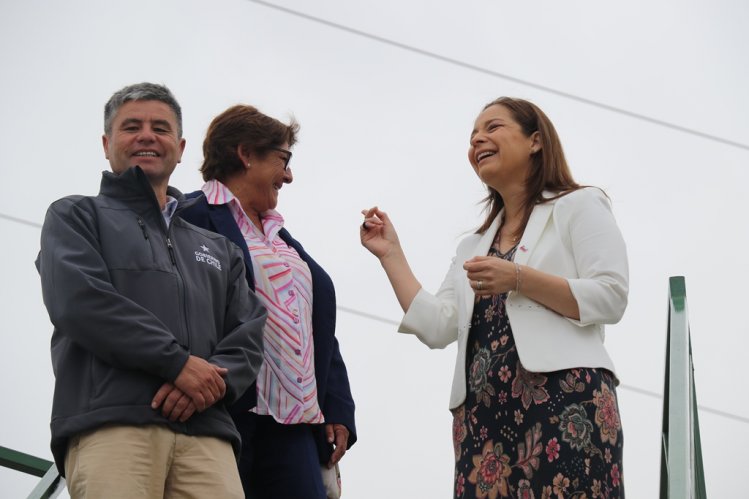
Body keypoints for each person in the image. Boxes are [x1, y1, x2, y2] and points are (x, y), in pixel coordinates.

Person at [361, 97, 628, 498]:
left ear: (535, 141)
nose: (478, 140)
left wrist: (519, 278)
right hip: (482, 423)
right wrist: (391, 254)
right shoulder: (473, 246)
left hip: (566, 403)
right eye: (472, 136)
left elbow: (611, 296)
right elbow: (437, 326)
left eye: (492, 127)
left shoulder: (578, 205)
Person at [35, 82, 267, 499]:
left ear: (179, 148)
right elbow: (80, 302)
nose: (146, 135)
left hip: (208, 435)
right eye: (131, 127)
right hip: (112, 424)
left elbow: (249, 333)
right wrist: (176, 364)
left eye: (160, 128)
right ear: (107, 143)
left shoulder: (219, 248)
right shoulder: (75, 216)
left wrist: (205, 384)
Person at [179, 104, 357, 498]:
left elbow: (313, 325)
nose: (289, 175)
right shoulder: (186, 217)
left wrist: (338, 407)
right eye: (283, 159)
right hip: (221, 414)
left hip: (294, 427)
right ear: (245, 154)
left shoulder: (281, 238)